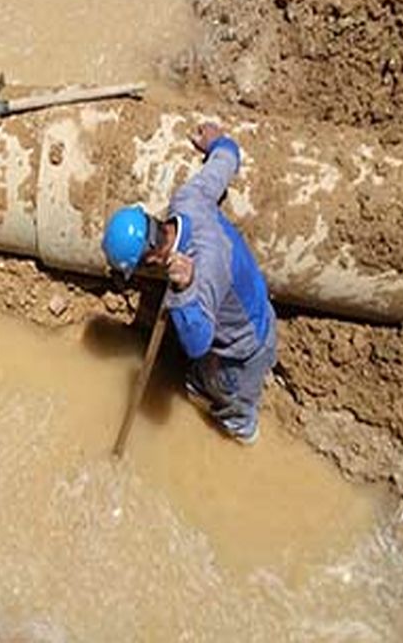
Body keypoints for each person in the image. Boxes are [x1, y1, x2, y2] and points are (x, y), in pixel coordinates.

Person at [100, 122, 277, 444]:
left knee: (232, 403)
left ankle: (240, 431)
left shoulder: (204, 270)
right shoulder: (187, 201)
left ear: (150, 259)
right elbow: (225, 163)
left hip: (242, 347)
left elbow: (198, 344)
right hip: (240, 308)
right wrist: (220, 144)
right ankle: (200, 385)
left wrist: (184, 290)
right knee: (201, 380)